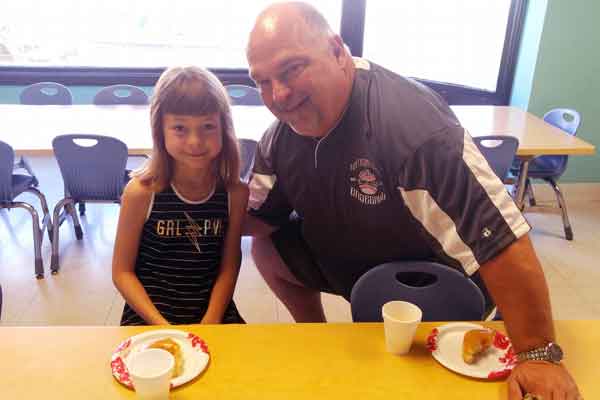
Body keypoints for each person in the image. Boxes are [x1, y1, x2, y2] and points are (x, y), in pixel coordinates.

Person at [243, 2, 580, 399]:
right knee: (269, 246)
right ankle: (317, 336)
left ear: (337, 52)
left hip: (434, 276)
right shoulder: (279, 137)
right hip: (348, 258)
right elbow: (260, 218)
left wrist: (538, 354)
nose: (277, 95)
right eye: (262, 81)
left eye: (291, 69)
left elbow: (502, 237)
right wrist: (188, 197)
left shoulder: (413, 130)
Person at [112, 66, 248, 325]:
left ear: (224, 128)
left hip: (213, 313)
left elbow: (229, 267)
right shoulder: (140, 193)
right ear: (160, 131)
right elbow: (122, 272)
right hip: (149, 314)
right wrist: (163, 326)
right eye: (180, 128)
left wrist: (211, 320)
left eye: (208, 126)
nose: (195, 141)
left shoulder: (235, 194)